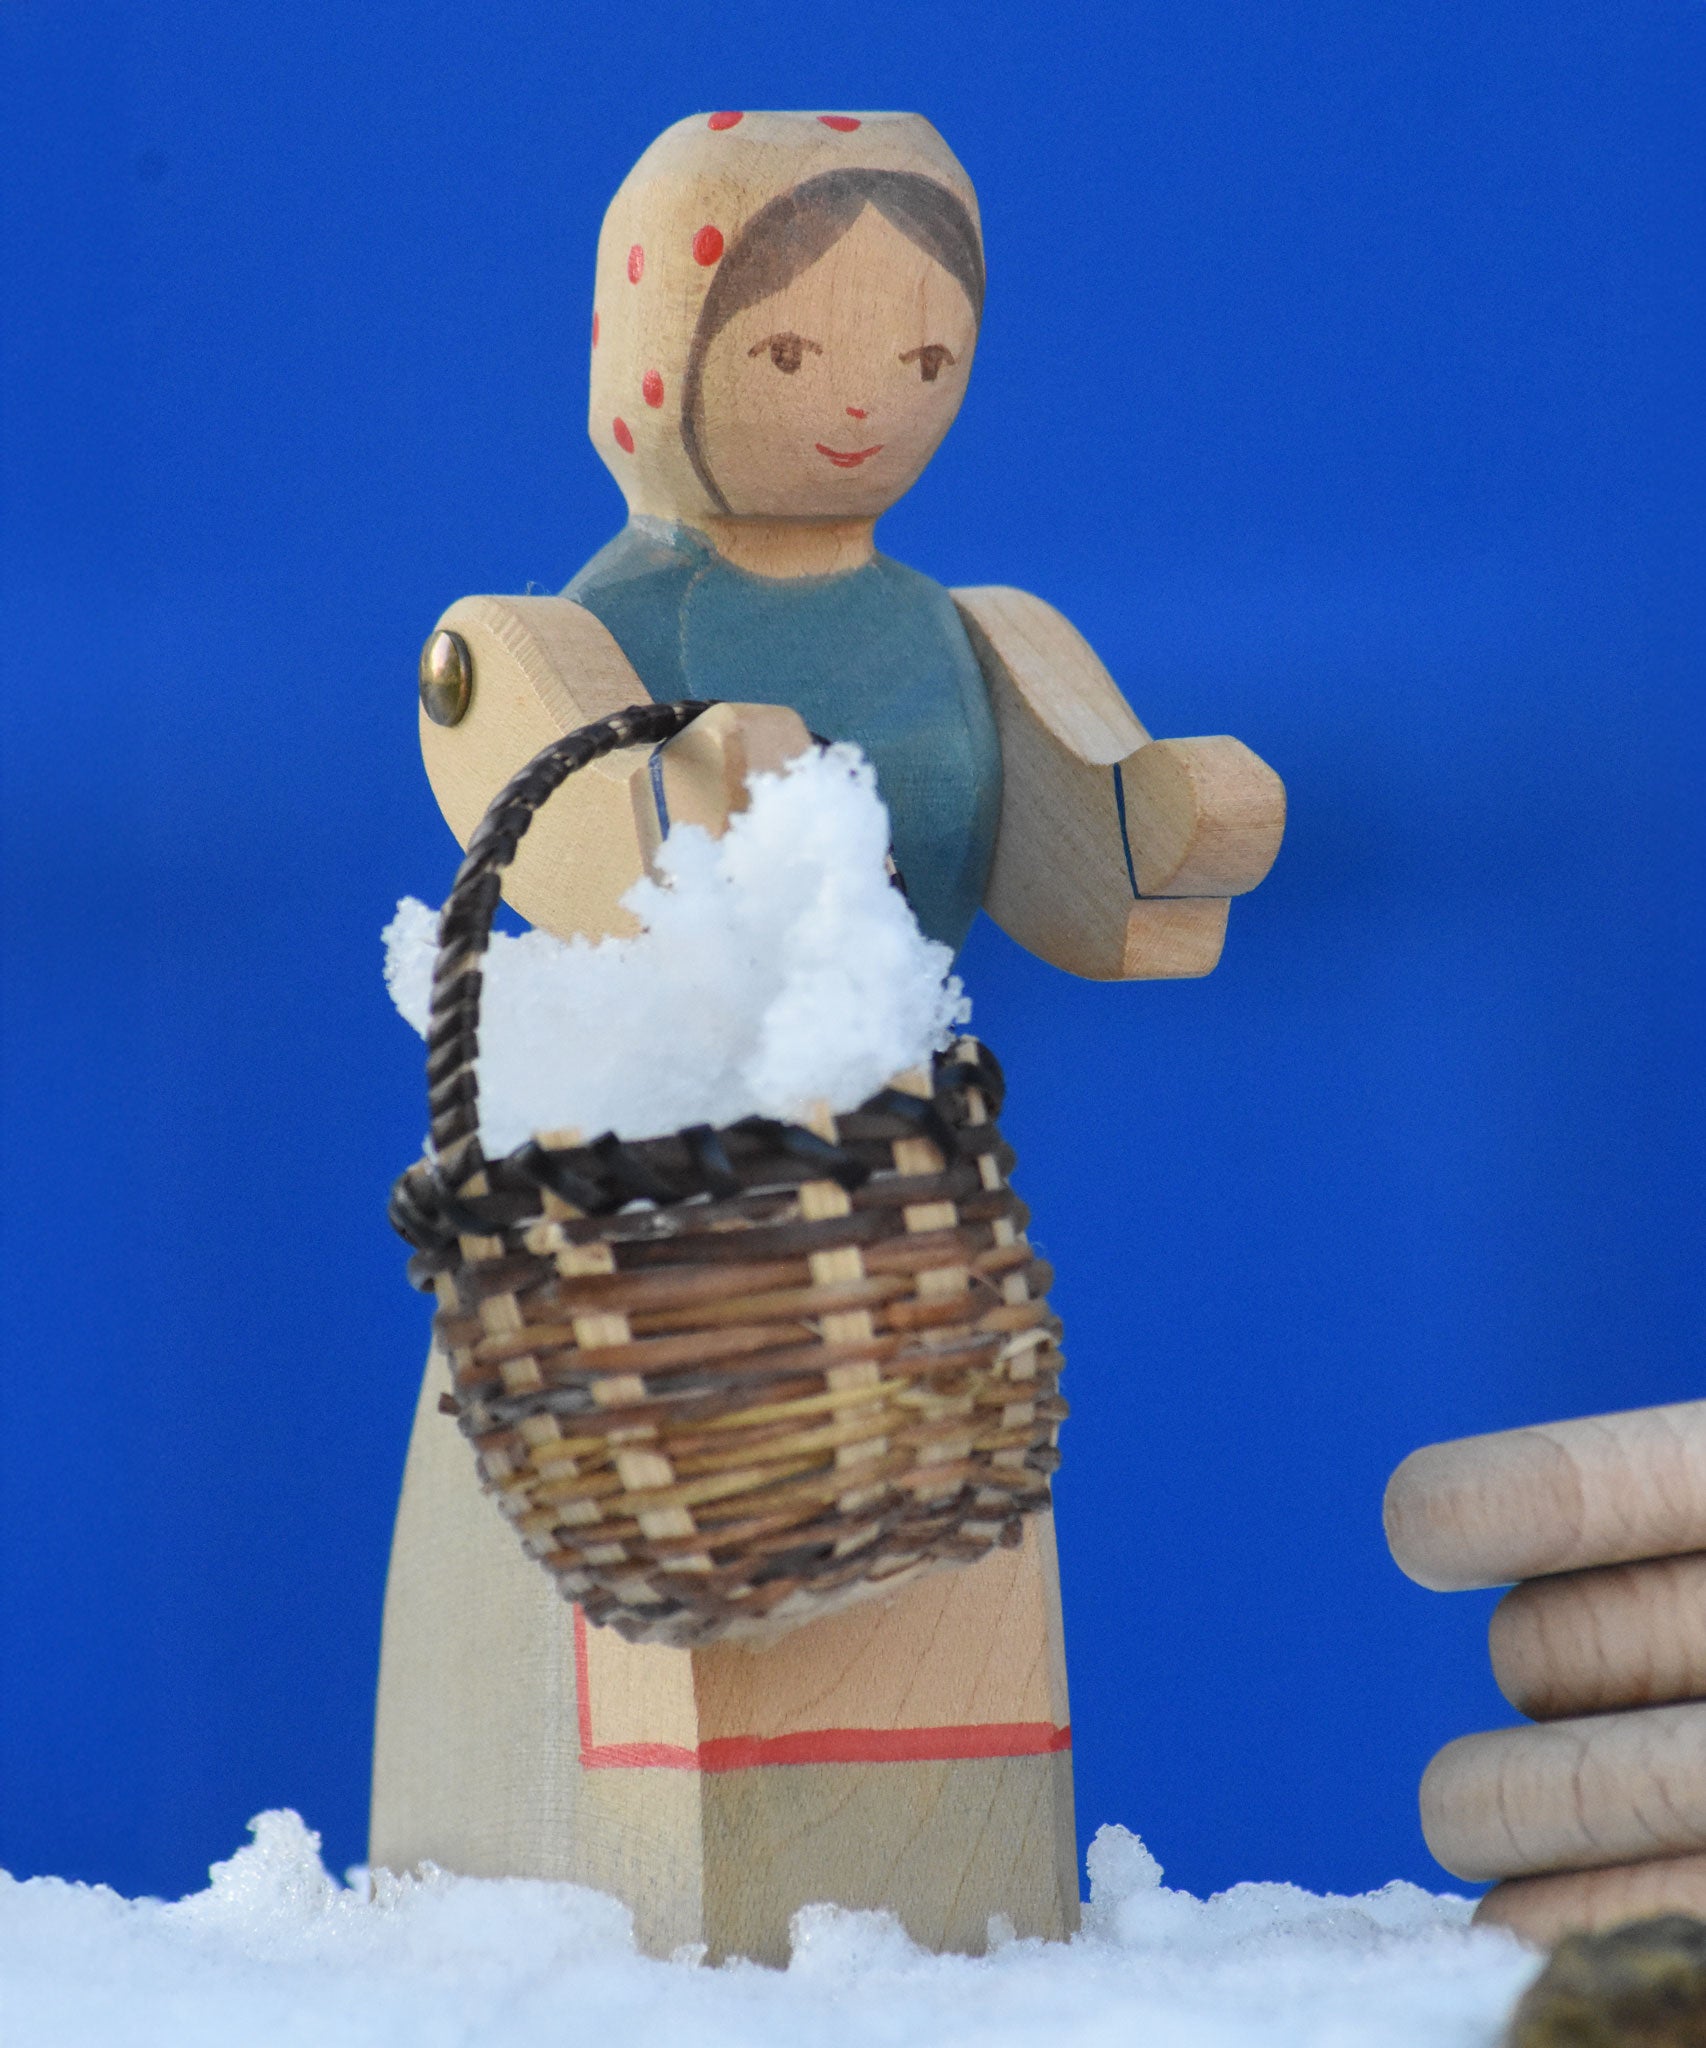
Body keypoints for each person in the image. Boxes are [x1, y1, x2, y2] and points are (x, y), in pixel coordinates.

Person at [374, 110, 1285, 1964]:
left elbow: (1088, 860)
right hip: (644, 1218)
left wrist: (1166, 820)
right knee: (664, 1573)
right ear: (653, 361)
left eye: (925, 359)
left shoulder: (968, 628)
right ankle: (619, 1905)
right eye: (790, 354)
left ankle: (947, 1909)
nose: (864, 401)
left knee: (943, 1540)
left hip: (898, 1192)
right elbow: (573, 819)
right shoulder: (566, 632)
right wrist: (701, 798)